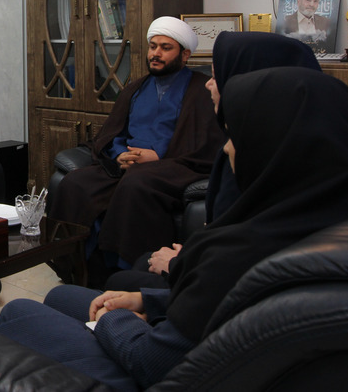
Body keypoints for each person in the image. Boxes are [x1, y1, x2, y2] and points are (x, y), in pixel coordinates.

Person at [0, 68, 348, 391]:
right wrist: (148, 301)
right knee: (59, 294)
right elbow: (226, 302)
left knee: (4, 320)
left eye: (234, 136)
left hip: (156, 367)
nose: (226, 148)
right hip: (189, 336)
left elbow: (154, 359)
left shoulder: (241, 245)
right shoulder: (341, 218)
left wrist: (116, 319)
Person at [105, 31, 321, 292]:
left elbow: (251, 257)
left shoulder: (270, 156)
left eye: (217, 77)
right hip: (216, 268)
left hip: (229, 288)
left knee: (120, 280)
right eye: (153, 46)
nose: (208, 84)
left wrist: (177, 266)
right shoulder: (251, 139)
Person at [48, 17, 224, 284]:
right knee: (74, 183)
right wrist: (120, 154)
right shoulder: (136, 88)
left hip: (175, 165)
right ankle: (77, 266)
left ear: (185, 54)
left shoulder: (201, 89)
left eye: (166, 48)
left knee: (136, 183)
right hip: (127, 164)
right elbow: (115, 132)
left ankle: (124, 273)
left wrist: (158, 156)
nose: (156, 53)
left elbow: (204, 142)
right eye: (153, 46)